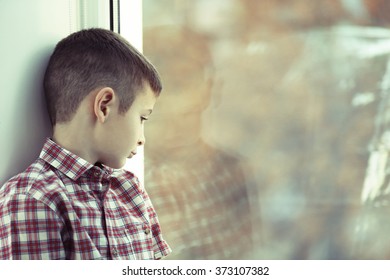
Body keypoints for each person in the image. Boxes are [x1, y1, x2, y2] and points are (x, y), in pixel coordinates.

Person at [0, 28, 171, 260]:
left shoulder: (130, 190)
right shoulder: (31, 199)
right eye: (142, 118)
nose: (142, 138)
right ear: (104, 106)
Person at [142, 26, 257, 259]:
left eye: (181, 79)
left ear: (211, 87)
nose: (170, 99)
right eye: (161, 82)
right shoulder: (133, 183)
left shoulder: (231, 171)